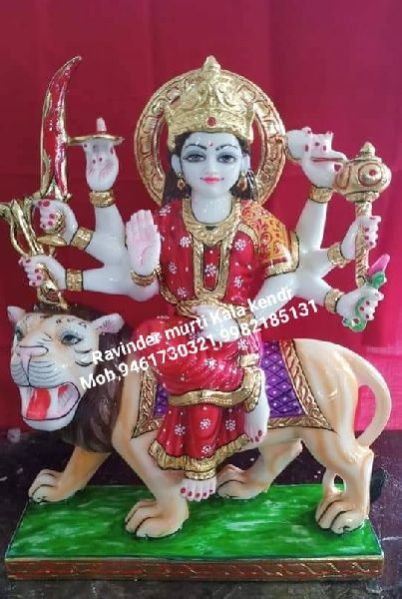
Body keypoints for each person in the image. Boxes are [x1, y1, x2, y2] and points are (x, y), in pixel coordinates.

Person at [22, 57, 382, 501]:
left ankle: (211, 449)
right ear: (176, 163)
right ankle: (238, 396)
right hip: (180, 330)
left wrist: (237, 320)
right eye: (196, 155)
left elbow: (286, 282)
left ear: (244, 162)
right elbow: (140, 287)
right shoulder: (166, 219)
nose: (211, 166)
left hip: (237, 331)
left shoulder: (257, 221)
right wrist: (99, 271)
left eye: (225, 155)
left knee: (178, 350)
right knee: (148, 337)